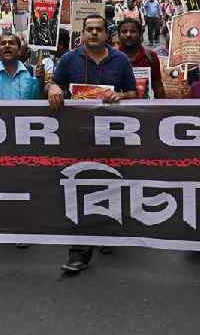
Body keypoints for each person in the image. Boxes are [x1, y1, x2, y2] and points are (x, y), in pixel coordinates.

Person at [47, 14, 137, 274]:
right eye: (90, 29)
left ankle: (107, 233)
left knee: (111, 184)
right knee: (82, 187)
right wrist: (52, 88)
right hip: (78, 136)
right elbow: (54, 83)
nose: (94, 33)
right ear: (83, 34)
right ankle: (79, 251)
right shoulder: (69, 59)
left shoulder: (121, 61)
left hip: (113, 136)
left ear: (107, 34)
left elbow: (134, 92)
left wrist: (120, 95)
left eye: (99, 29)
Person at [116, 18, 165, 99]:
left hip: (145, 109)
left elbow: (157, 84)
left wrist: (163, 108)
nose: (128, 35)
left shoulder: (151, 56)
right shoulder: (112, 57)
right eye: (124, 32)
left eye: (133, 31)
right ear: (119, 35)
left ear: (140, 34)